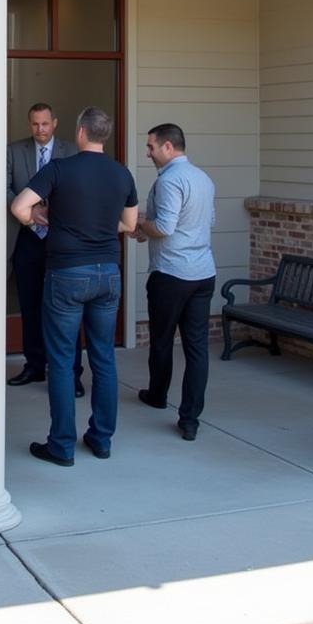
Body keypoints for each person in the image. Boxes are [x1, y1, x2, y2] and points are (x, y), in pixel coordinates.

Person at [11, 106, 137, 466]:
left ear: (80, 132)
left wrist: (43, 218)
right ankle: (101, 440)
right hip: (108, 273)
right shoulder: (121, 173)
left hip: (67, 272)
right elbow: (128, 224)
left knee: (63, 360)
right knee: (104, 358)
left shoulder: (59, 169)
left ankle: (62, 445)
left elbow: (21, 207)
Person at [133, 123, 217, 441]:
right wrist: (148, 230)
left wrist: (141, 225)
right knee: (197, 349)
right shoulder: (203, 178)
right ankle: (190, 418)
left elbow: (165, 227)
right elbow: (207, 221)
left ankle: (157, 395)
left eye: (151, 146)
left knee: (163, 339)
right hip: (203, 273)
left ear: (169, 147)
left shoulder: (169, 180)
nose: (148, 152)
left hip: (171, 274)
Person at [5, 103, 82, 392]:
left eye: (45, 124)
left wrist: (53, 213)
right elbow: (5, 186)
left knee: (65, 308)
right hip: (27, 237)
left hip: (62, 239)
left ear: (55, 123)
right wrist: (28, 212)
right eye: (35, 124)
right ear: (29, 124)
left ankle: (72, 372)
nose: (40, 130)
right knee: (30, 304)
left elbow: (77, 190)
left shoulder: (73, 151)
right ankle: (34, 365)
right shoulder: (14, 150)